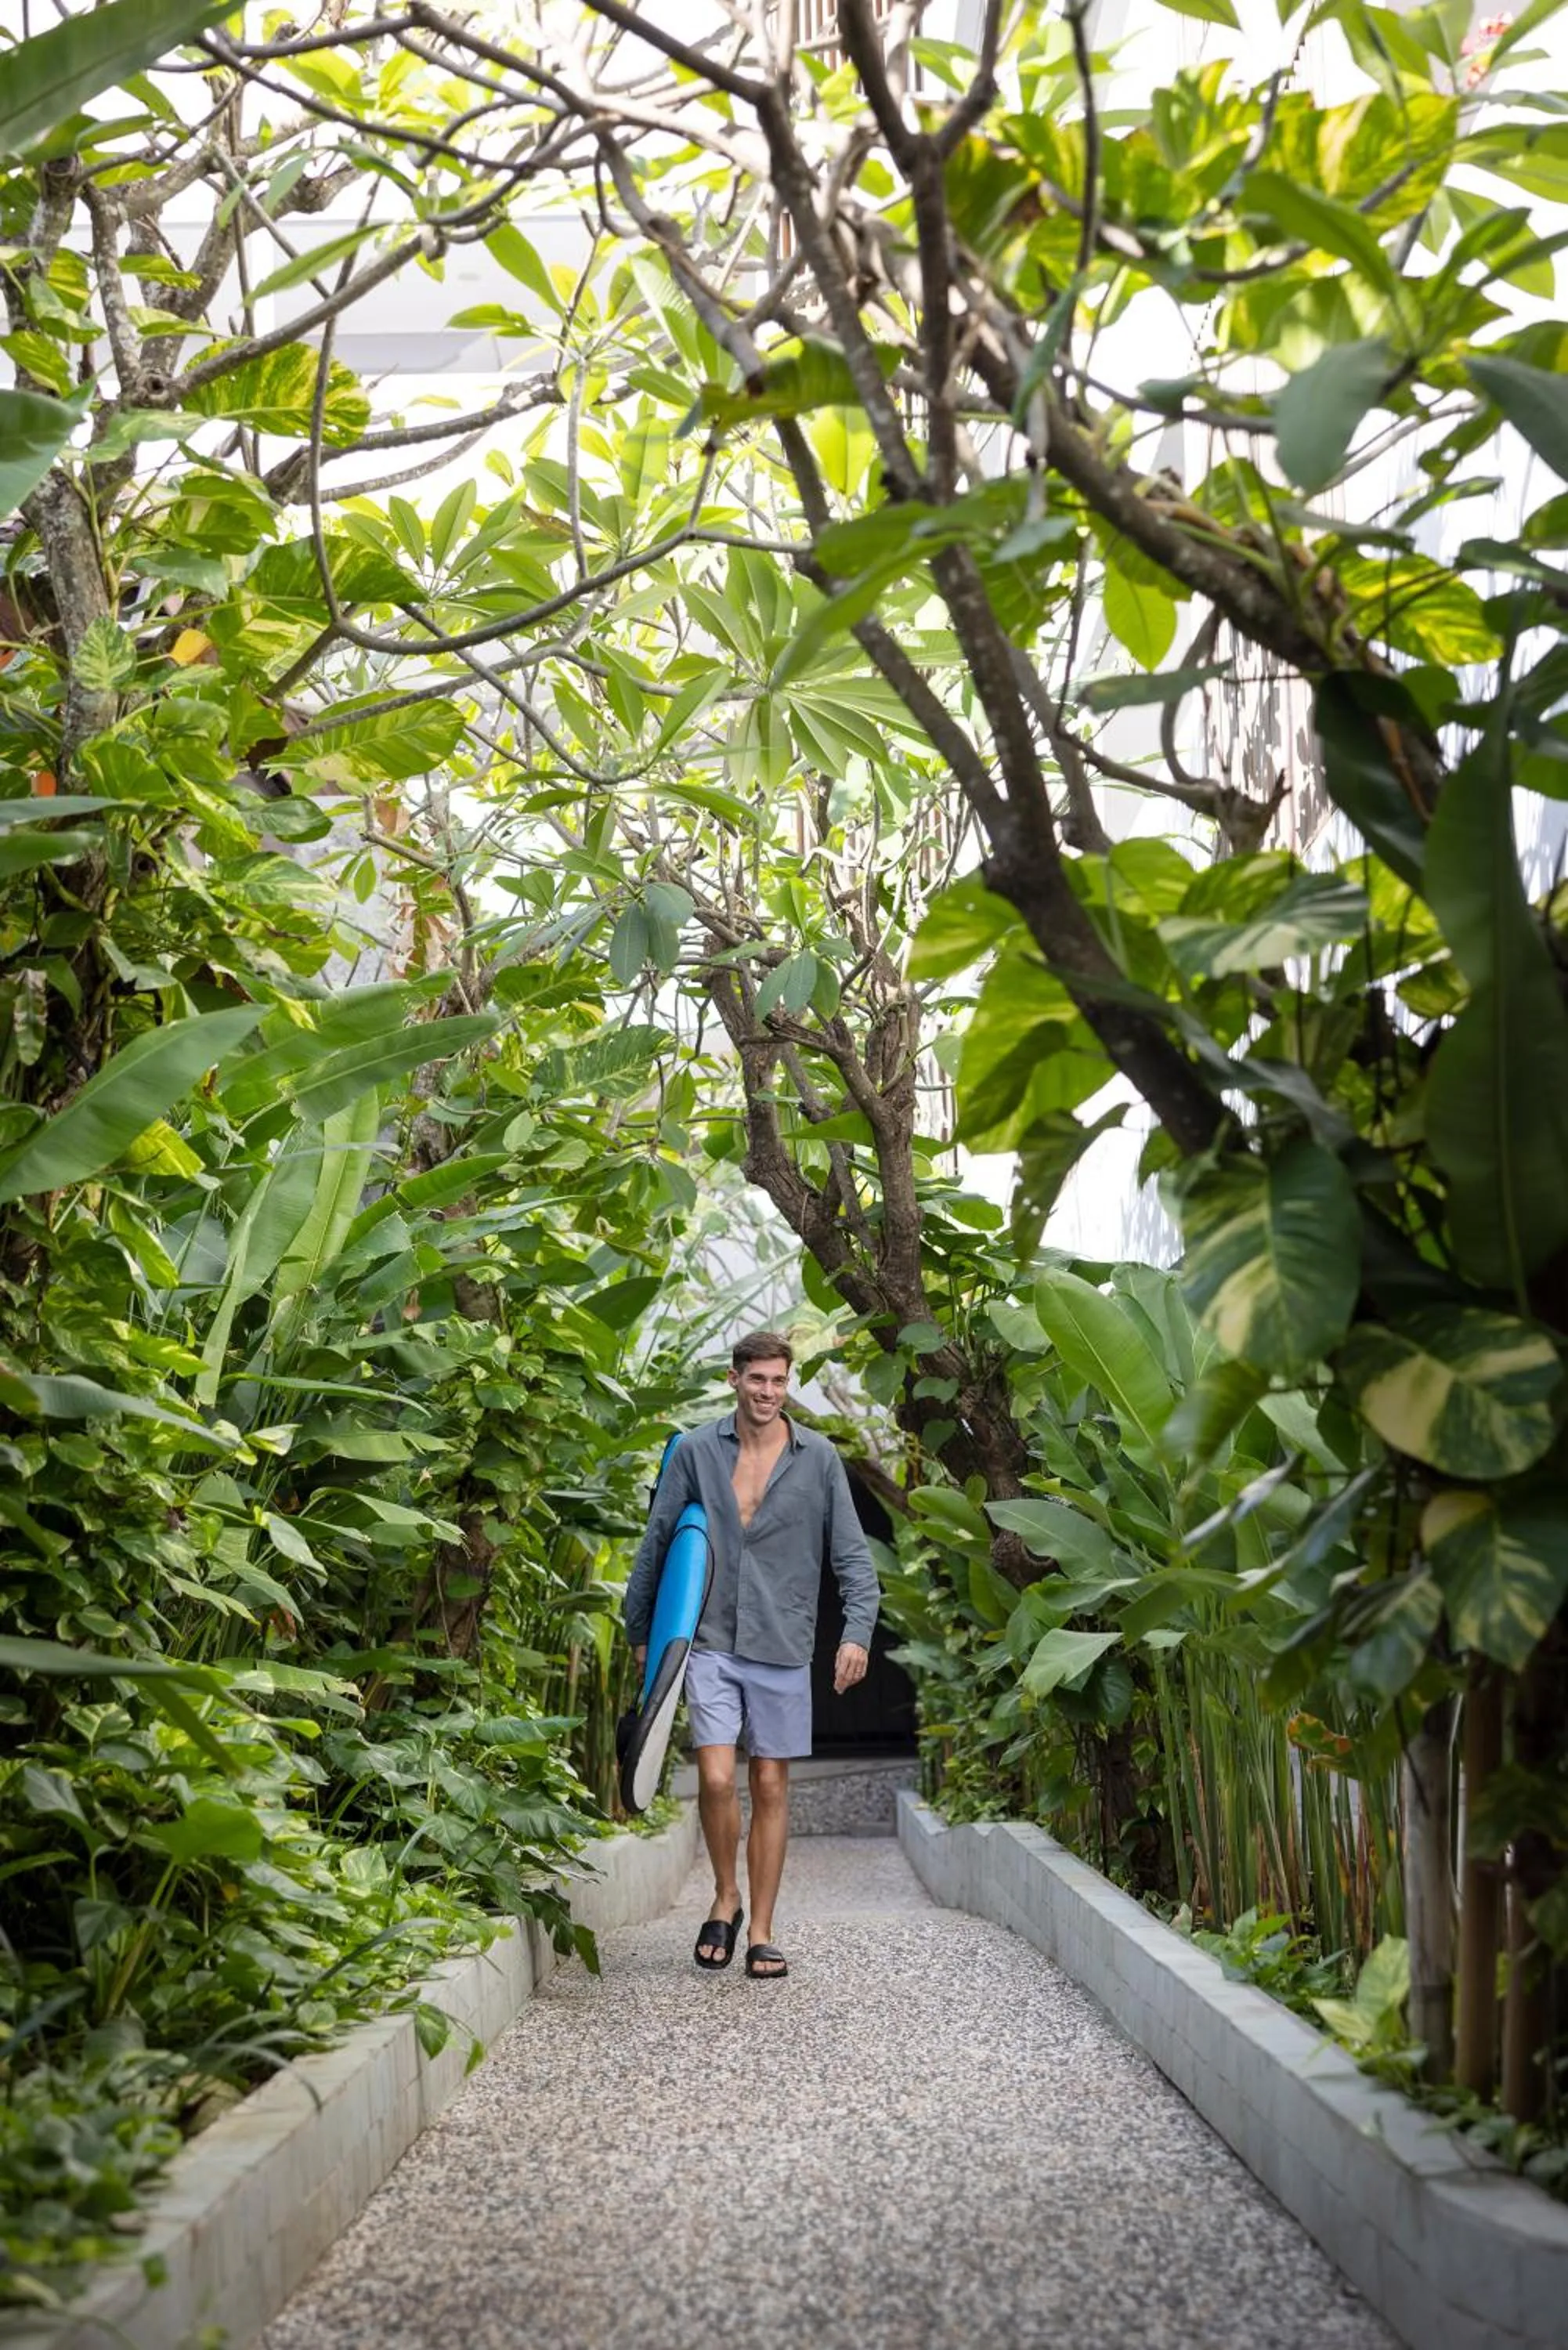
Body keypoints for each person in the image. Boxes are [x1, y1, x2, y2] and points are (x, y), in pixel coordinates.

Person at [623, 1329, 880, 1980]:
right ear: (734, 1379)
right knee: (714, 1777)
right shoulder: (696, 1451)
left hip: (783, 1640)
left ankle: (761, 1929)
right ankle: (724, 1895)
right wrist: (642, 1633)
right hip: (708, 1636)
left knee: (768, 1782)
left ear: (786, 1385)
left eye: (778, 1381)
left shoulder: (818, 1458)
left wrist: (857, 1632)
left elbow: (851, 1553)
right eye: (757, 1379)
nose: (768, 1392)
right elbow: (660, 1542)